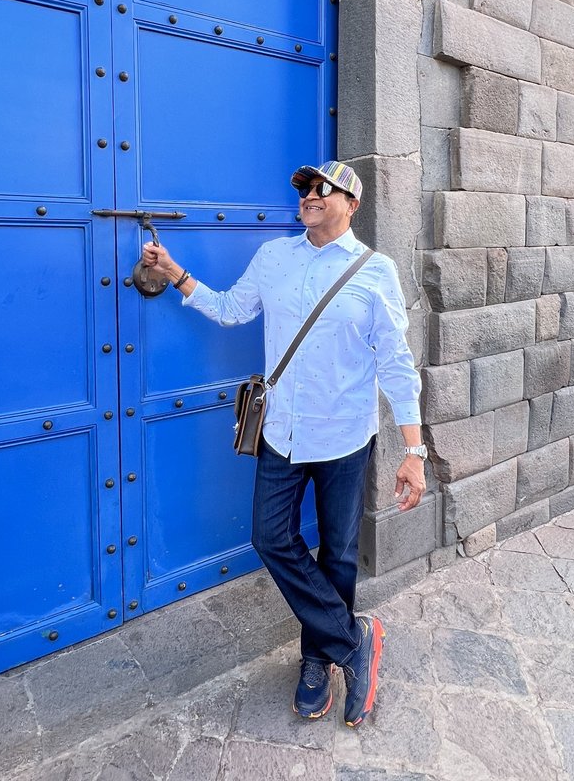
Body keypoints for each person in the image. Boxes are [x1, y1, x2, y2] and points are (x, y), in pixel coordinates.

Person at [142, 160, 425, 728]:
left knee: (338, 553)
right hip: (282, 433)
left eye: (325, 189)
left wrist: (413, 452)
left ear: (352, 204)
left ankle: (317, 659)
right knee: (270, 537)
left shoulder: (376, 271)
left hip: (345, 436)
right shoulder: (274, 256)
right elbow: (231, 310)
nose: (310, 196)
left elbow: (396, 363)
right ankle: (354, 642)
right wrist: (174, 272)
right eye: (305, 189)